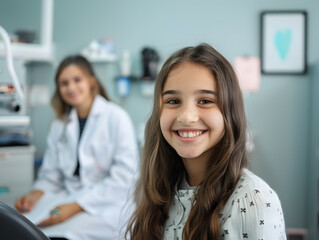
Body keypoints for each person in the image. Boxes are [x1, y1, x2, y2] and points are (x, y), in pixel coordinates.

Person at [126, 43, 286, 240]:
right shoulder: (161, 190)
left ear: (229, 112)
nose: (186, 117)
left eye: (205, 101)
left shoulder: (253, 200)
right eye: (173, 101)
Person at [15, 55, 139, 240]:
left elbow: (124, 178)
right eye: (64, 83)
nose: (71, 87)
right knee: (21, 224)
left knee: (65, 233)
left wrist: (76, 206)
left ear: (91, 81)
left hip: (107, 205)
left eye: (77, 80)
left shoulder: (116, 117)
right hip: (68, 196)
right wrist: (35, 194)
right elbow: (51, 174)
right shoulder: (60, 124)